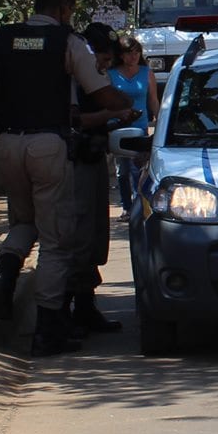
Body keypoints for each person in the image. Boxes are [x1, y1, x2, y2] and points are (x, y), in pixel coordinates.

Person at [0, 0, 132, 356]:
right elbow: (102, 92)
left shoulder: (0, 40)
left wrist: (17, 114)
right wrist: (124, 106)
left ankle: (6, 272)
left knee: (23, 221)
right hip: (49, 144)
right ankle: (49, 327)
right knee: (56, 240)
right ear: (64, 8)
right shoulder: (69, 42)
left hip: (8, 141)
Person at [66, 23, 130, 336]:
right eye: (103, 60)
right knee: (78, 236)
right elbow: (75, 120)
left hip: (92, 157)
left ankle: (85, 306)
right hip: (74, 161)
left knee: (92, 235)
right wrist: (112, 114)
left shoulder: (91, 79)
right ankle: (66, 311)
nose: (104, 67)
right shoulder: (73, 80)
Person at [107, 32, 157, 212]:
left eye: (137, 52)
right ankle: (126, 207)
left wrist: (159, 121)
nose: (133, 56)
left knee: (138, 168)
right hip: (118, 128)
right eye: (129, 52)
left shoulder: (147, 73)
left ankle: (139, 205)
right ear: (121, 55)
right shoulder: (111, 74)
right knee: (122, 171)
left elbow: (153, 100)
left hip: (140, 127)